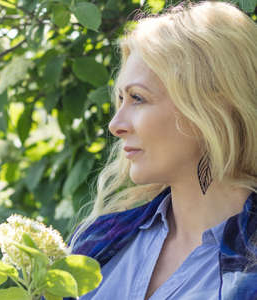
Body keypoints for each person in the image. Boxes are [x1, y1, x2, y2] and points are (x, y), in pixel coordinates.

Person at [69, 2, 257, 300]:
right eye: (121, 100)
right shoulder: (98, 241)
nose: (115, 125)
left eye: (138, 99)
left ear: (211, 108)